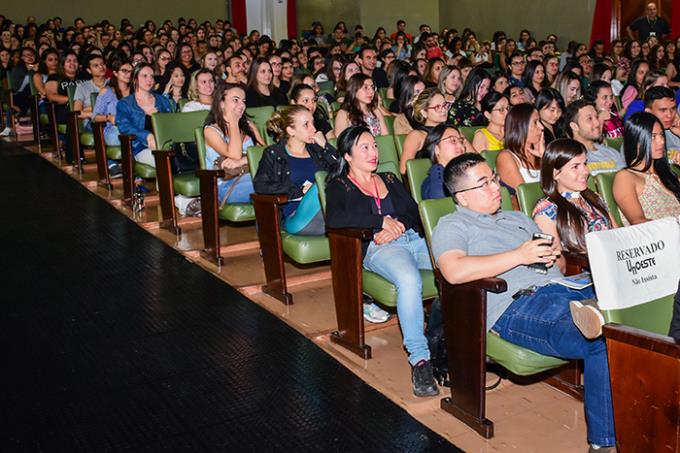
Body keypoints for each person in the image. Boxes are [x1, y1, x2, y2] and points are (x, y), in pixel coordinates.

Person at [432, 152, 615, 451]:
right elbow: (453, 271)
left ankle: (599, 312)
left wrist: (552, 254)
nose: (496, 187)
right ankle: (603, 444)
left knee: (638, 314)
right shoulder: (453, 226)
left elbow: (557, 267)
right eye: (484, 184)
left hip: (564, 286)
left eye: (493, 179)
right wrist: (520, 255)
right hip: (519, 304)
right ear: (462, 197)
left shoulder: (515, 217)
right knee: (602, 340)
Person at [325, 125, 438, 397]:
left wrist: (396, 224)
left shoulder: (388, 177)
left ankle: (447, 339)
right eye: (365, 147)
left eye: (374, 145)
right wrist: (380, 223)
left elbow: (413, 211)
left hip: (411, 238)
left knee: (452, 264)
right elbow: (336, 220)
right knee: (409, 280)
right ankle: (420, 359)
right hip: (379, 248)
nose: (373, 152)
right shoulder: (340, 185)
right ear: (348, 156)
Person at [254, 105, 338, 236]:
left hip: (325, 215)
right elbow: (260, 185)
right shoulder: (274, 154)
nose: (314, 129)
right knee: (322, 185)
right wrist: (297, 191)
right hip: (295, 217)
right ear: (291, 130)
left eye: (313, 123)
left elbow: (344, 170)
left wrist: (326, 146)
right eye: (306, 125)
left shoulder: (317, 151)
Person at [533, 139, 614, 268]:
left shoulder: (594, 198)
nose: (585, 171)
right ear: (555, 173)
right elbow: (556, 264)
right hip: (582, 273)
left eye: (585, 164)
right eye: (575, 167)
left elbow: (617, 234)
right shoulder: (546, 211)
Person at [613, 112, 680, 225]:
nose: (662, 141)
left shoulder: (667, 174)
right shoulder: (625, 177)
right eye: (653, 136)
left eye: (661, 135)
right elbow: (638, 222)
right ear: (636, 140)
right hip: (658, 239)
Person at [203, 82, 263, 205]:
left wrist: (243, 161)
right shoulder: (210, 131)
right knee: (265, 183)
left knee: (270, 180)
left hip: (250, 176)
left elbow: (266, 152)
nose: (241, 105)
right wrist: (234, 122)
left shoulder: (249, 126)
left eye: (244, 101)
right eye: (235, 100)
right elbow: (234, 154)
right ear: (221, 103)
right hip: (225, 185)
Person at [116, 62, 173, 168]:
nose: (149, 80)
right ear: (135, 80)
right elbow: (124, 127)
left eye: (152, 76)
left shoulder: (163, 101)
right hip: (141, 147)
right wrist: (147, 136)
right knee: (163, 160)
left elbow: (172, 124)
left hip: (166, 145)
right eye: (144, 76)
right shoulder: (125, 104)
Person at [91, 58, 132, 176]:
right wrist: (109, 118)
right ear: (115, 73)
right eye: (124, 71)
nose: (128, 74)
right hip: (113, 130)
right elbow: (95, 116)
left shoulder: (135, 91)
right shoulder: (107, 91)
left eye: (130, 71)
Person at [564, 99, 625, 175]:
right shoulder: (569, 159)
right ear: (574, 126)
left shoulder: (612, 153)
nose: (597, 123)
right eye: (589, 119)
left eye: (596, 117)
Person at [399, 88, 450, 174]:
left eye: (445, 105)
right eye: (437, 107)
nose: (444, 110)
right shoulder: (417, 135)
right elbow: (404, 169)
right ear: (424, 112)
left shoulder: (450, 131)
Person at [496, 103, 544, 189]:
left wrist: (544, 157)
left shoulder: (540, 152)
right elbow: (523, 196)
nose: (541, 127)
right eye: (535, 122)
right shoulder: (506, 157)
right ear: (520, 126)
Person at [419, 125, 468, 199]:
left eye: (461, 141)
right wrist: (437, 167)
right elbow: (440, 199)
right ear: (437, 149)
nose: (460, 146)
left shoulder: (469, 174)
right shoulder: (431, 182)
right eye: (453, 141)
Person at [334, 73, 388, 138]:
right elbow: (341, 141)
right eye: (365, 87)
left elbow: (386, 138)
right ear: (354, 90)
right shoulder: (344, 114)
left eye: (372, 87)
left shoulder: (375, 112)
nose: (371, 91)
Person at [643, 86, 680, 162]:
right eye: (663, 110)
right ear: (648, 112)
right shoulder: (641, 137)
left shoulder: (675, 129)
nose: (669, 115)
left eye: (673, 108)